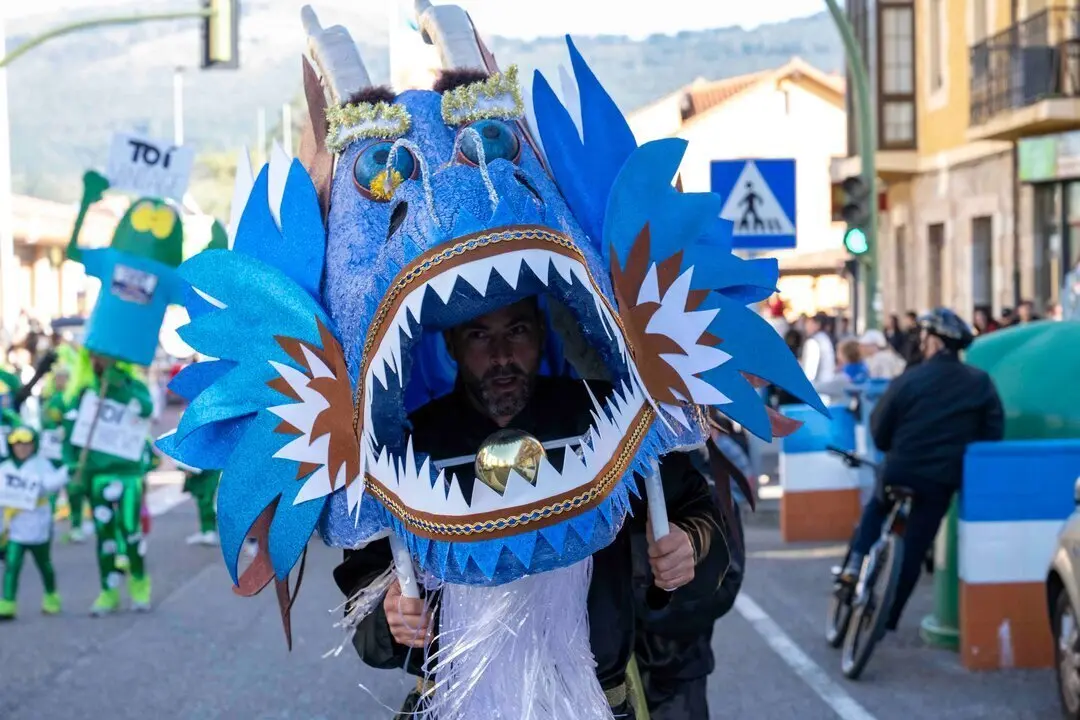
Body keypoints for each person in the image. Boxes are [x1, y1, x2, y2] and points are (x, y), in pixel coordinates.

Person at [334, 299, 722, 719]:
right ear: (451, 344)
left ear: (541, 331)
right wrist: (390, 613)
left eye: (516, 330)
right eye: (479, 335)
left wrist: (687, 543)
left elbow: (694, 508)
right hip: (453, 704)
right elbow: (364, 590)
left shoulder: (608, 420)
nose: (501, 356)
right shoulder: (407, 451)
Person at [841, 308, 1004, 630]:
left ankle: (855, 563)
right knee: (914, 548)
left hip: (901, 468)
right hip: (941, 479)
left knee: (877, 507)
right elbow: (992, 434)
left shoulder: (909, 378)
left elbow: (879, 429)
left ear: (934, 343)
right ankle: (889, 617)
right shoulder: (980, 382)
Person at [62, 354, 155, 615]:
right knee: (105, 539)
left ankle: (139, 586)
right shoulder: (85, 392)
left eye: (105, 356)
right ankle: (108, 591)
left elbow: (146, 409)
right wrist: (73, 470)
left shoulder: (134, 386)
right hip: (98, 476)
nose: (100, 360)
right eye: (95, 356)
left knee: (131, 532)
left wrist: (119, 387)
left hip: (128, 474)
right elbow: (70, 434)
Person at [0, 424, 70, 619]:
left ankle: (51, 596)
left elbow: (51, 484)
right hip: (14, 526)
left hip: (38, 524)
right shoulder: (5, 468)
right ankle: (7, 603)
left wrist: (66, 472)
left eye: (26, 444)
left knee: (44, 564)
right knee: (12, 565)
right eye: (17, 444)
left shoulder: (41, 465)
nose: (22, 448)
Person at [799, 312, 836, 386]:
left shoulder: (814, 342)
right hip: (825, 385)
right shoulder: (824, 338)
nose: (806, 327)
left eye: (809, 323)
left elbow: (809, 373)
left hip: (817, 387)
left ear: (818, 325)